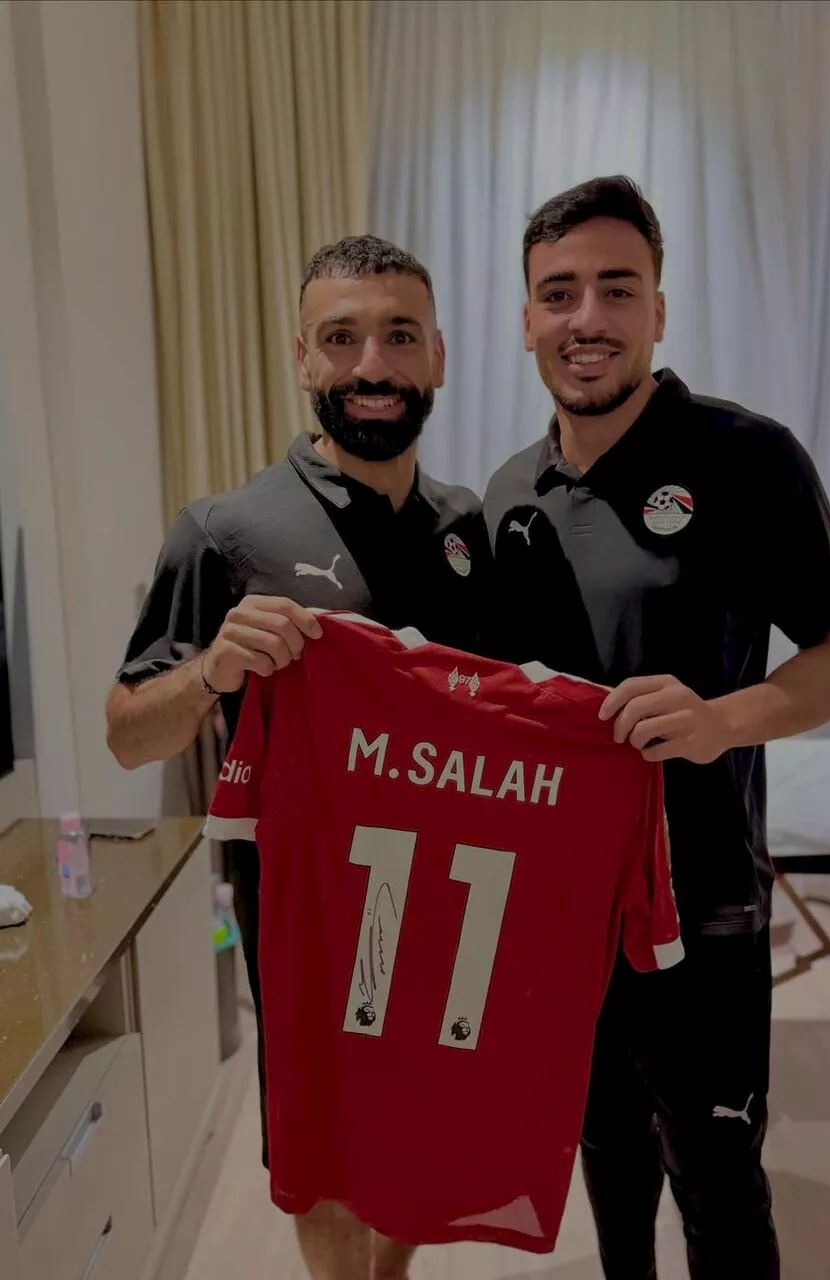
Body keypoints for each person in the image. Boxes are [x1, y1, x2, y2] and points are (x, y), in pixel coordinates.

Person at [484, 176, 830, 1280]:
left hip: (705, 904)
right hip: (564, 915)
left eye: (618, 288)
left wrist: (718, 721)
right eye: (559, 292)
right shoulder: (508, 496)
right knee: (607, 1158)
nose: (587, 317)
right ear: (526, 321)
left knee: (717, 1180)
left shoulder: (748, 458)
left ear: (658, 310)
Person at [107, 235, 490, 1280]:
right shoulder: (224, 529)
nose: (372, 364)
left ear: (438, 356)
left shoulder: (468, 526)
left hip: (453, 900)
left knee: (420, 1128)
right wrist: (211, 670)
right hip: (308, 916)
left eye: (399, 336)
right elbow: (127, 729)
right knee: (322, 1152)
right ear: (302, 356)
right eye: (341, 338)